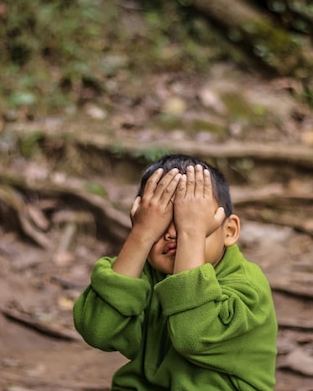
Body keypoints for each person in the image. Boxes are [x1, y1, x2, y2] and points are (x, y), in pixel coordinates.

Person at [73, 154, 278, 390]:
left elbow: (192, 336)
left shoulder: (248, 285)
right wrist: (141, 237)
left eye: (192, 221)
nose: (172, 232)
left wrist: (190, 234)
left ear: (229, 231)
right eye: (159, 222)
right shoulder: (144, 275)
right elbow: (98, 330)